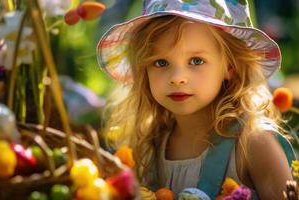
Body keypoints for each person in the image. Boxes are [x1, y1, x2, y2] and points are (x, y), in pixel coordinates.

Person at [97, 0, 295, 199]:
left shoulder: (253, 144)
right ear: (144, 71)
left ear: (230, 66)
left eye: (196, 61)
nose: (177, 78)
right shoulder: (146, 147)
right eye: (161, 62)